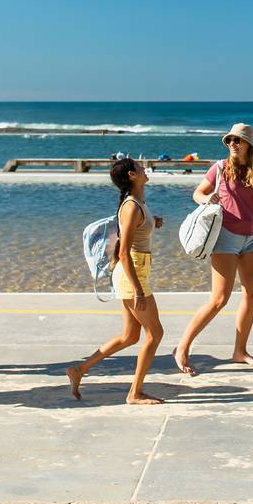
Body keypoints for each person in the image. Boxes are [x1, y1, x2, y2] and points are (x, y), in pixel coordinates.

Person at [173, 123, 253, 376]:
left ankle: (240, 351)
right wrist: (206, 198)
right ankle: (182, 347)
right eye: (229, 140)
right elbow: (198, 193)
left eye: (237, 141)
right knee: (219, 299)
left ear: (249, 145)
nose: (232, 144)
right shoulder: (219, 168)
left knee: (252, 294)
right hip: (225, 238)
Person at [67, 158, 165, 404]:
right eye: (141, 168)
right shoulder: (131, 205)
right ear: (132, 175)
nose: (145, 169)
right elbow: (124, 253)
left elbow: (133, 232)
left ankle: (79, 370)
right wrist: (139, 291)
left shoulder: (138, 203)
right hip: (132, 273)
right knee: (155, 334)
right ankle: (135, 392)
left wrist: (154, 223)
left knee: (130, 336)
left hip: (134, 270)